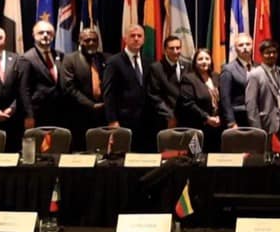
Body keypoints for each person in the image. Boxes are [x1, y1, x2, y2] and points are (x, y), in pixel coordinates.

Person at [103, 24, 171, 152]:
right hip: (124, 121)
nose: (136, 39)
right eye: (132, 36)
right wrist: (112, 120)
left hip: (147, 122)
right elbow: (109, 94)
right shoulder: (114, 62)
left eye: (139, 36)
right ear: (125, 39)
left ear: (143, 39)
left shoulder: (149, 62)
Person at [61, 27, 107, 150]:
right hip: (79, 115)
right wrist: (91, 105)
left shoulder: (105, 58)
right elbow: (69, 88)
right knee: (81, 152)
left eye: (94, 40)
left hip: (103, 115)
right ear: (80, 41)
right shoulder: (70, 59)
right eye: (87, 40)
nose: (91, 43)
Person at [18, 20, 63, 130]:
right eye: (41, 32)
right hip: (38, 113)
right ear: (34, 35)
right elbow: (24, 89)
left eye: (49, 32)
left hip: (59, 111)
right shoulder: (26, 58)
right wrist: (29, 115)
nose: (45, 35)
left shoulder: (60, 55)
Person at [178, 48, 223, 152]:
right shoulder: (188, 78)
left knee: (214, 157)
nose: (204, 61)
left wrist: (219, 116)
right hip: (196, 127)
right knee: (196, 157)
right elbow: (188, 103)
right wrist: (207, 118)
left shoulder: (216, 76)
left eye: (207, 58)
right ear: (195, 62)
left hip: (216, 127)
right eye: (200, 59)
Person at [149, 35, 191, 129]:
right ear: (165, 50)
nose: (175, 51)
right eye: (172, 48)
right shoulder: (156, 68)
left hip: (186, 118)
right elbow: (155, 96)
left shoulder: (188, 66)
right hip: (166, 120)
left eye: (178, 48)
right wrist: (170, 115)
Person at [245, 40, 280, 135]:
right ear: (261, 55)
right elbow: (251, 105)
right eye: (268, 53)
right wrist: (257, 130)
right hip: (264, 125)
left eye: (274, 52)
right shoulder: (255, 75)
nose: (271, 55)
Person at [219, 33, 253, 129]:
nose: (245, 47)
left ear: (252, 46)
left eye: (248, 44)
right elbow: (225, 98)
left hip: (256, 117)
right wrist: (231, 122)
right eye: (241, 45)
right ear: (235, 48)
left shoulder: (258, 67)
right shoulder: (228, 69)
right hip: (239, 118)